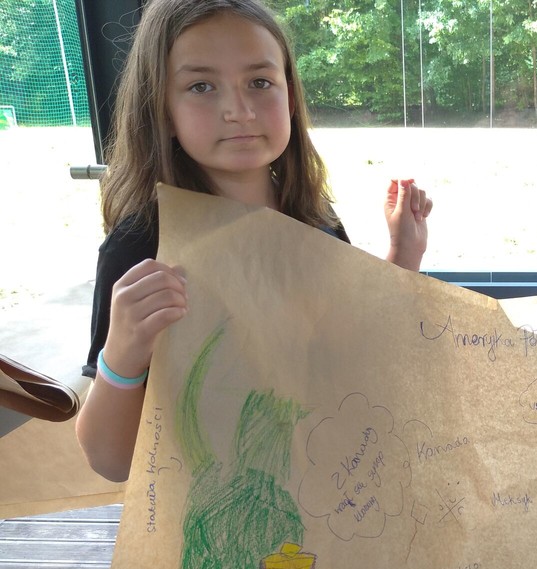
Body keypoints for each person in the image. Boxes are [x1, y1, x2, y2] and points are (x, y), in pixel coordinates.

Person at [76, 0, 431, 481]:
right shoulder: (140, 246)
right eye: (201, 86)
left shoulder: (316, 221)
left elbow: (357, 356)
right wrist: (122, 354)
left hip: (337, 495)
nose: (239, 111)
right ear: (161, 107)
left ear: (290, 97)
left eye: (260, 82)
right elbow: (111, 462)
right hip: (209, 510)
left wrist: (402, 256)